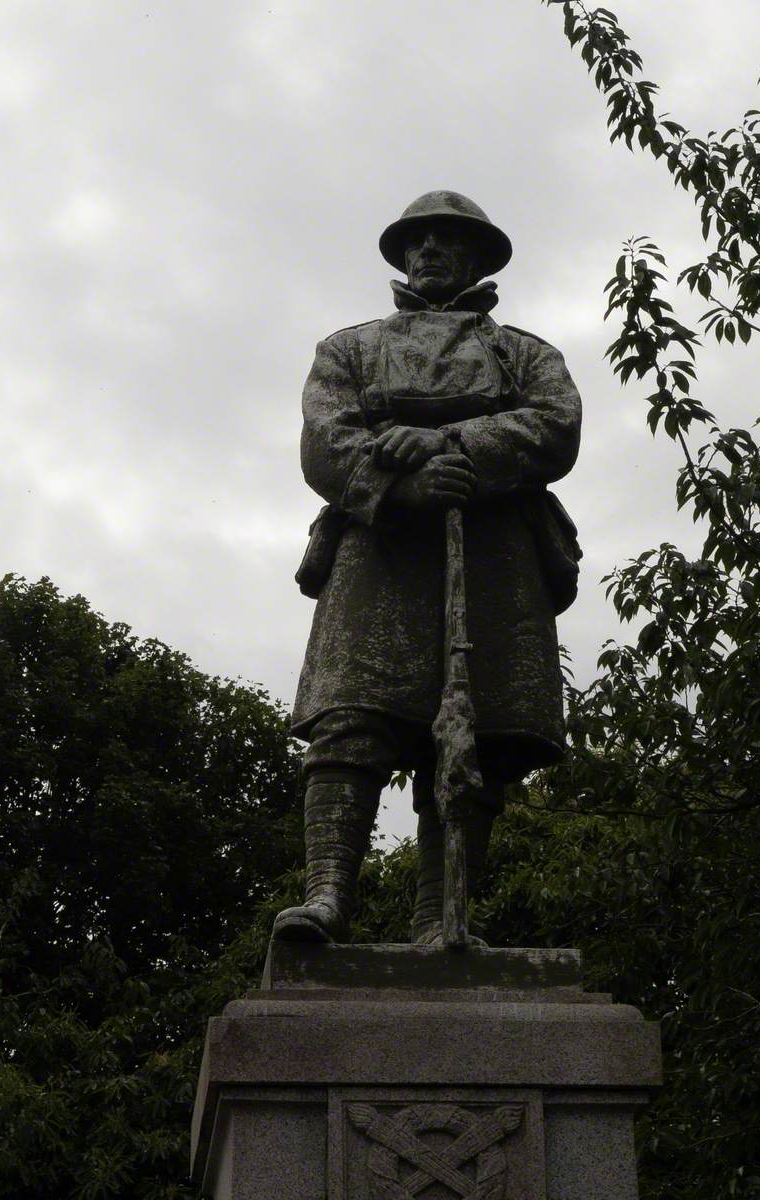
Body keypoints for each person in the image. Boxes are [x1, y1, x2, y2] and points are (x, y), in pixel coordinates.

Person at [273, 191, 582, 945]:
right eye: (419, 241)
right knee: (350, 721)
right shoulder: (349, 348)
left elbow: (554, 425)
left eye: (448, 240)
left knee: (480, 735)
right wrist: (402, 482)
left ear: (477, 257)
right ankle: (327, 897)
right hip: (380, 550)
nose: (430, 251)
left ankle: (443, 917)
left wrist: (456, 447)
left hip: (496, 554)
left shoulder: (525, 352)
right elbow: (325, 439)